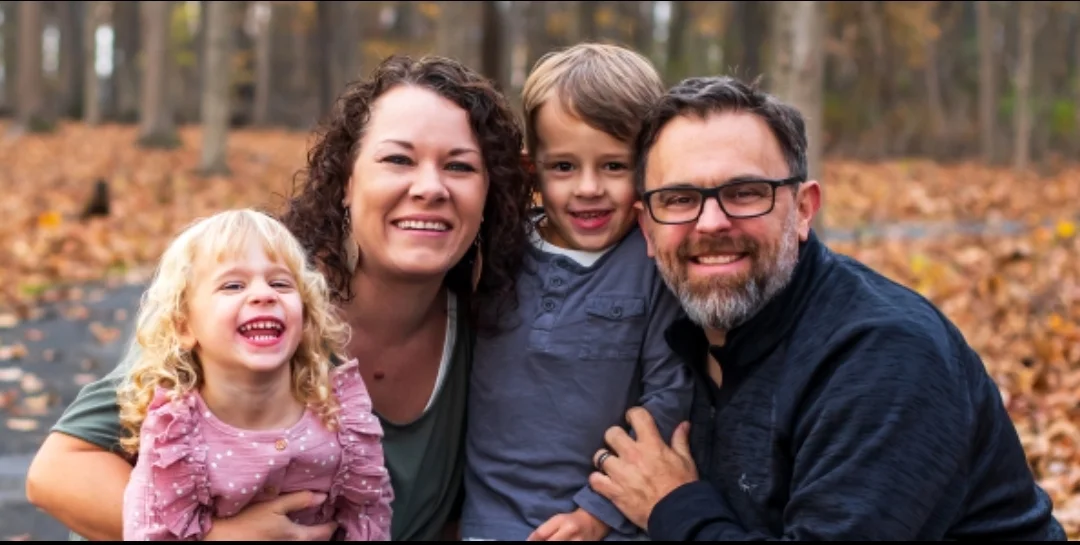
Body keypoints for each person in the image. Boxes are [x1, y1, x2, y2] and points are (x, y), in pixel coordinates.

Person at [25, 54, 536, 542]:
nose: (430, 187)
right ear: (346, 183)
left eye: (460, 167)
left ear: (489, 193)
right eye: (398, 159)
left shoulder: (494, 341)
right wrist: (212, 537)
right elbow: (57, 471)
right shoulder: (262, 310)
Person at [585, 75, 1068, 540]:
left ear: (803, 210)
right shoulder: (669, 340)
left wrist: (673, 506)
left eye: (745, 193)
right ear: (648, 229)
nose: (711, 222)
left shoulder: (885, 355)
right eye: (679, 198)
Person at [460, 43, 692, 542]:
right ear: (532, 171)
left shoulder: (653, 264)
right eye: (564, 166)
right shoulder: (496, 251)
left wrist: (597, 513)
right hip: (490, 520)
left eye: (614, 166)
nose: (588, 188)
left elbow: (669, 398)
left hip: (609, 523)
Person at [118, 209, 392, 541]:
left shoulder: (340, 418)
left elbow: (369, 518)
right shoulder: (176, 437)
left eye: (280, 283)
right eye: (233, 285)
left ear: (305, 320)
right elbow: (148, 534)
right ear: (184, 326)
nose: (264, 294)